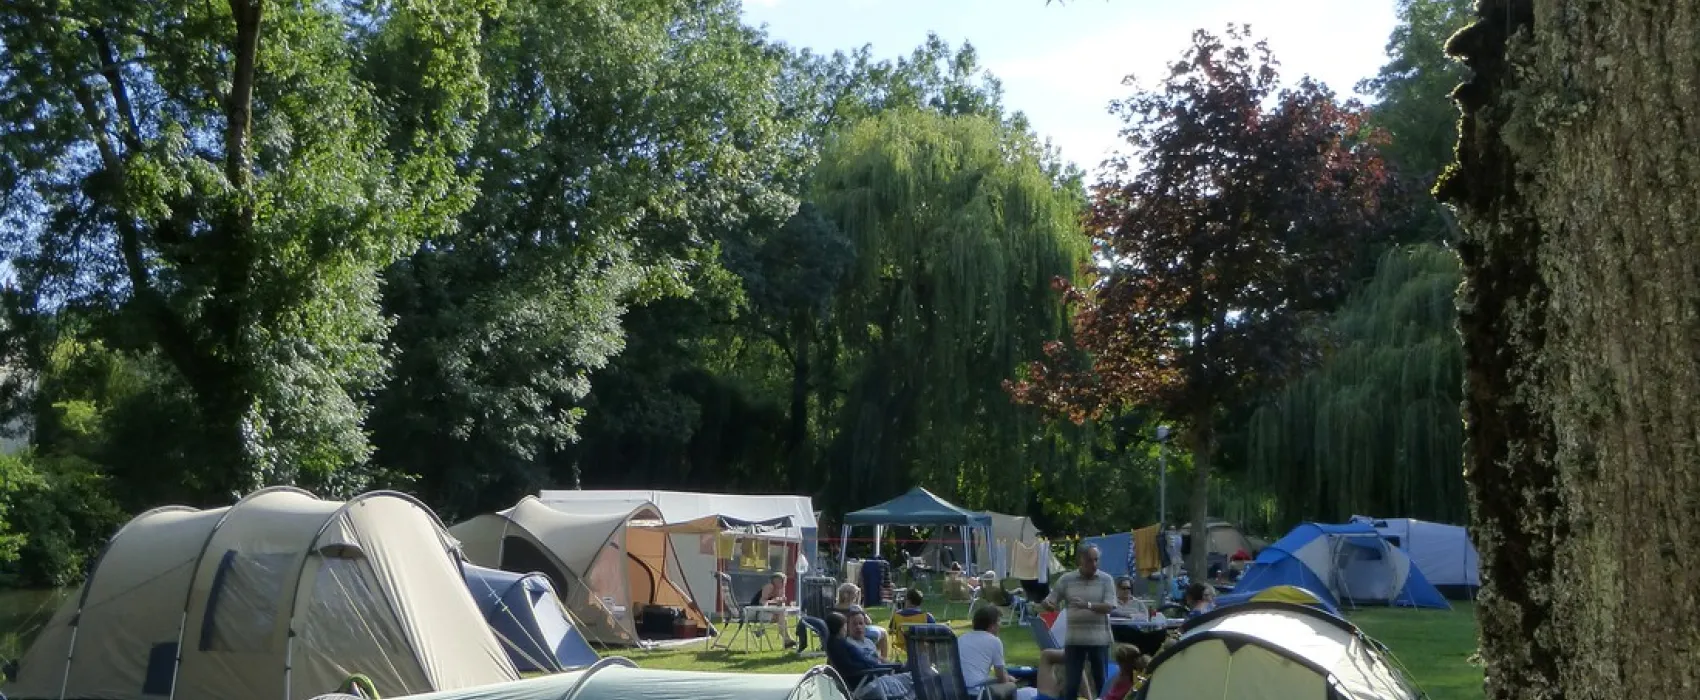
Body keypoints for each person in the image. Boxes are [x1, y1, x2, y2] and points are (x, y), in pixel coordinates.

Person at [1044, 544, 1118, 700]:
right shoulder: (1067, 580)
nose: (1094, 564)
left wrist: (1087, 605)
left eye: (1096, 560)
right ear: (1080, 560)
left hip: (1098, 638)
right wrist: (1049, 605)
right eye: (1090, 560)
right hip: (1074, 639)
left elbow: (1109, 607)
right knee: (1072, 683)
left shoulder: (1106, 580)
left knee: (1101, 682)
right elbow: (1051, 600)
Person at [825, 611, 914, 699]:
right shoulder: (847, 644)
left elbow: (877, 660)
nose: (858, 627)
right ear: (847, 627)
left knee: (911, 677)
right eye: (854, 624)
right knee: (913, 679)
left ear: (865, 625)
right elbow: (861, 664)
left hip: (877, 675)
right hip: (870, 681)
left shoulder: (869, 642)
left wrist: (886, 664)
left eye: (861, 623)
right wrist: (883, 667)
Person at [960, 605, 1040, 700]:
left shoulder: (961, 639)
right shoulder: (994, 641)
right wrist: (1009, 679)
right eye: (998, 621)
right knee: (1011, 686)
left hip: (959, 691)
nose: (1000, 624)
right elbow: (1001, 677)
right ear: (992, 625)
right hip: (977, 693)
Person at [835, 582, 890, 658]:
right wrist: (858, 604)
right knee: (883, 633)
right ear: (849, 595)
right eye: (855, 594)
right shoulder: (854, 607)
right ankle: (883, 659)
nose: (856, 596)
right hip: (856, 633)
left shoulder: (835, 608)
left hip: (842, 634)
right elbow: (868, 621)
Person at [751, 572, 797, 648]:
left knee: (781, 615)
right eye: (781, 581)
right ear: (774, 580)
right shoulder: (769, 587)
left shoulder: (781, 588)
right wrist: (775, 601)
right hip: (755, 611)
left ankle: (786, 640)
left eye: (784, 581)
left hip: (768, 612)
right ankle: (787, 640)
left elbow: (780, 603)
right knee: (781, 616)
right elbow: (762, 602)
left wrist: (781, 601)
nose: (783, 583)